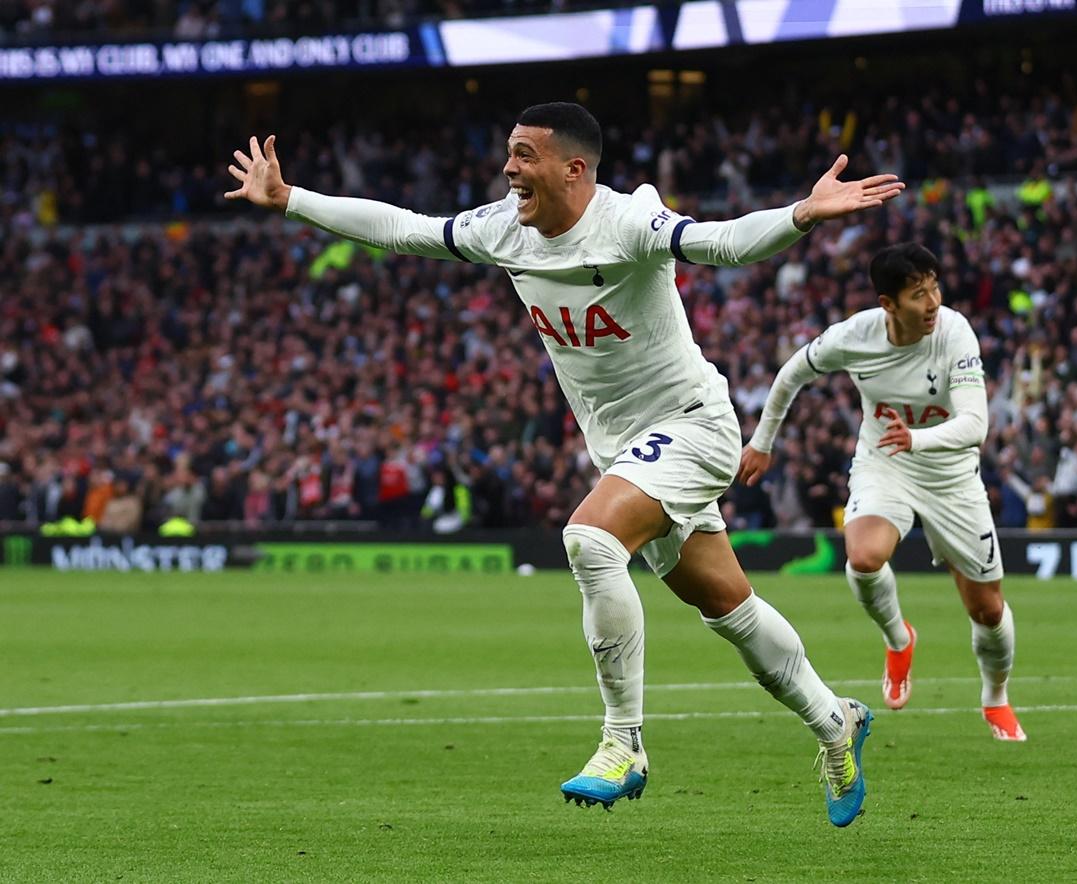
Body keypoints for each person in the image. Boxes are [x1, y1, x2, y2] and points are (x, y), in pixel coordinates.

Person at [225, 102, 905, 825]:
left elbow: (720, 244)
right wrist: (292, 199)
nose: (510, 168)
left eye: (524, 155)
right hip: (622, 447)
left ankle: (624, 744)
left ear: (573, 167)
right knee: (727, 608)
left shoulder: (626, 225)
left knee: (589, 540)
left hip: (693, 427)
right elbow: (403, 228)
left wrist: (800, 214)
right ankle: (836, 721)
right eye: (510, 153)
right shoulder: (503, 229)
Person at [738, 243, 1026, 742]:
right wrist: (762, 442)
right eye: (919, 293)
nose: (933, 301)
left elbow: (976, 424)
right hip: (885, 463)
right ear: (888, 303)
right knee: (865, 556)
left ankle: (995, 695)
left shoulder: (954, 332)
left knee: (988, 610)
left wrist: (917, 438)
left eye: (935, 287)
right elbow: (792, 374)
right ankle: (899, 639)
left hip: (952, 476)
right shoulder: (855, 336)